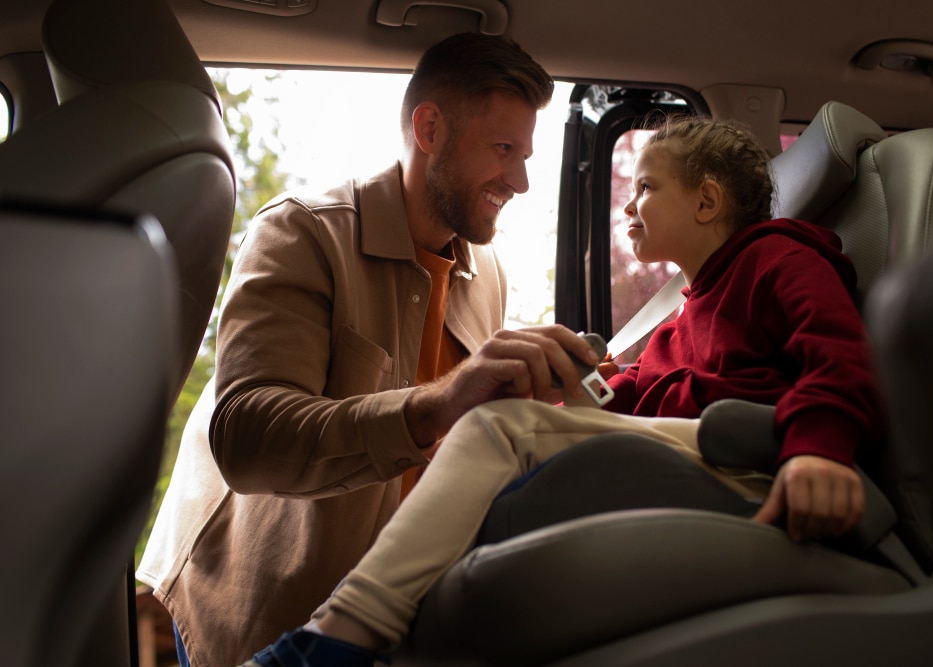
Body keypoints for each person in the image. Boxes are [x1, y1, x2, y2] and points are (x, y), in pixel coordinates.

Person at [241, 116, 884, 666]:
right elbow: (625, 396)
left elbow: (837, 352)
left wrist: (819, 448)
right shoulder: (682, 316)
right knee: (503, 425)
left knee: (495, 431)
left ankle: (333, 640)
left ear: (707, 202)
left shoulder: (780, 260)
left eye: (647, 188)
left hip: (749, 458)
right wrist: (556, 389)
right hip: (686, 452)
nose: (629, 206)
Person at [136, 32, 607, 667]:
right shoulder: (300, 231)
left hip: (386, 613)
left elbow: (448, 444)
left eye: (524, 156)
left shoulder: (488, 270)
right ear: (430, 129)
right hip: (258, 612)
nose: (520, 181)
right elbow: (248, 438)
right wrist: (438, 403)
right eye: (503, 150)